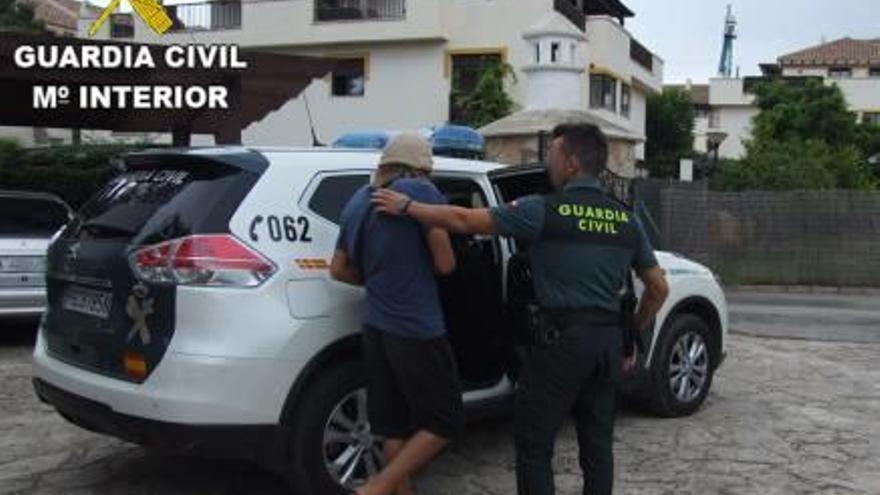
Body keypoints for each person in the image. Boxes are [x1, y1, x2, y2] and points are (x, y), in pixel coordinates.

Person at [371, 123, 669, 495]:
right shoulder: (626, 218)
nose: (549, 164)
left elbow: (463, 220)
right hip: (606, 345)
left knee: (534, 444)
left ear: (572, 163)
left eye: (554, 155)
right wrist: (631, 332)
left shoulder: (542, 210)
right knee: (597, 445)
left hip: (561, 344)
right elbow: (658, 288)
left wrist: (408, 206)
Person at [330, 133, 464, 495]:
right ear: (419, 169)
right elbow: (446, 263)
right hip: (416, 327)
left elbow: (338, 269)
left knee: (393, 426)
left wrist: (381, 279)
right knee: (445, 419)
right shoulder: (419, 193)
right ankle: (375, 488)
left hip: (375, 326)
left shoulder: (356, 202)